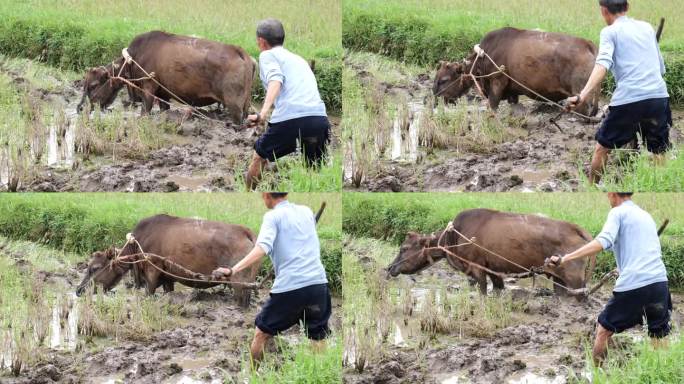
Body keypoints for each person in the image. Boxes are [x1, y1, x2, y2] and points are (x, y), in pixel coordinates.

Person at [547, 192, 671, 365]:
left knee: (604, 330)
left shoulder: (617, 212)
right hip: (659, 283)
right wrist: (624, 268)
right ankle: (664, 372)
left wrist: (565, 258)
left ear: (613, 194)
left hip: (635, 285)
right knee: (659, 333)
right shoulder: (645, 215)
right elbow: (647, 250)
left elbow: (603, 241)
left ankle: (596, 375)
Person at [212, 192, 331, 366]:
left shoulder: (272, 216)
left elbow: (262, 248)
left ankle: (254, 376)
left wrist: (232, 270)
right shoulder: (306, 211)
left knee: (261, 333)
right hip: (319, 286)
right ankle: (320, 374)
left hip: (291, 288)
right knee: (318, 335)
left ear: (267, 195)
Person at [565, 0, 671, 185]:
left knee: (602, 148)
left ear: (604, 11)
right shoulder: (646, 27)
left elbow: (602, 64)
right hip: (659, 96)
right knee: (658, 150)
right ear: (627, 7)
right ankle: (661, 185)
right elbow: (660, 68)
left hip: (630, 100)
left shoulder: (609, 32)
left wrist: (582, 95)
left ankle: (592, 188)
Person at [245, 19, 330, 190]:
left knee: (260, 155)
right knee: (313, 169)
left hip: (291, 118)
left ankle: (247, 194)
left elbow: (276, 80)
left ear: (261, 41)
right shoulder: (298, 59)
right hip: (318, 118)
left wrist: (262, 113)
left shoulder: (267, 55)